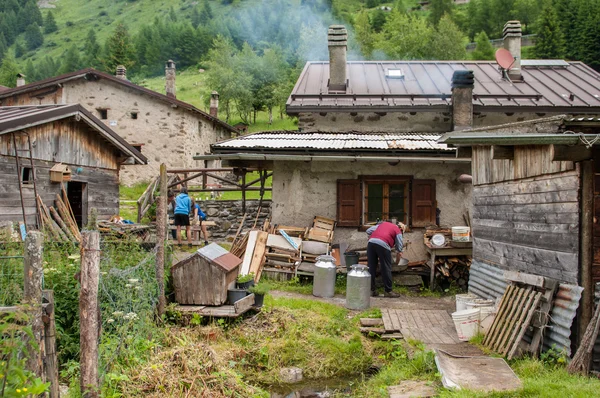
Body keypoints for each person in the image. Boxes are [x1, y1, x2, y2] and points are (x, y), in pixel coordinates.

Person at [366, 220, 405, 298]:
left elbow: (368, 230)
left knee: (371, 267)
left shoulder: (383, 224)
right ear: (401, 229)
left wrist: (375, 237)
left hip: (371, 243)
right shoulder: (397, 230)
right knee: (386, 268)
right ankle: (388, 291)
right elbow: (400, 243)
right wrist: (399, 251)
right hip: (383, 245)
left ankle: (371, 290)